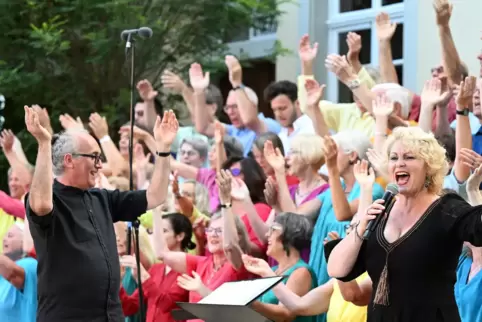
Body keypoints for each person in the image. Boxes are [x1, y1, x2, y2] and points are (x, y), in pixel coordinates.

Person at [24, 106, 179, 321]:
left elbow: (156, 195)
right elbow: (40, 205)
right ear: (69, 160)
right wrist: (43, 144)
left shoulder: (102, 198)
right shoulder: (51, 200)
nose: (99, 165)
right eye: (95, 157)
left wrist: (163, 150)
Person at [326, 126, 482, 322]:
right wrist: (361, 226)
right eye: (394, 158)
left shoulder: (447, 208)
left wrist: (475, 192)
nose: (400, 164)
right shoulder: (380, 210)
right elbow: (337, 270)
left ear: (428, 166)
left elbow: (478, 226)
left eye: (409, 157)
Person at [119, 212, 195, 322]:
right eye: (155, 231)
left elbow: (166, 305)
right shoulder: (156, 269)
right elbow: (130, 307)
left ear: (180, 236)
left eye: (163, 231)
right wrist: (118, 284)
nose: (157, 236)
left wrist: (143, 276)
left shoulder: (189, 269)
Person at [245, 212, 317, 322]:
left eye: (273, 229)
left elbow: (286, 314)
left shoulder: (301, 272)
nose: (267, 235)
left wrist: (251, 303)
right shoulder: (273, 270)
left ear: (289, 234)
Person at [0, 223, 37, 322]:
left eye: (10, 236)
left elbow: (13, 274)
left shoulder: (31, 265)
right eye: (5, 236)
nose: (4, 239)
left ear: (24, 241)